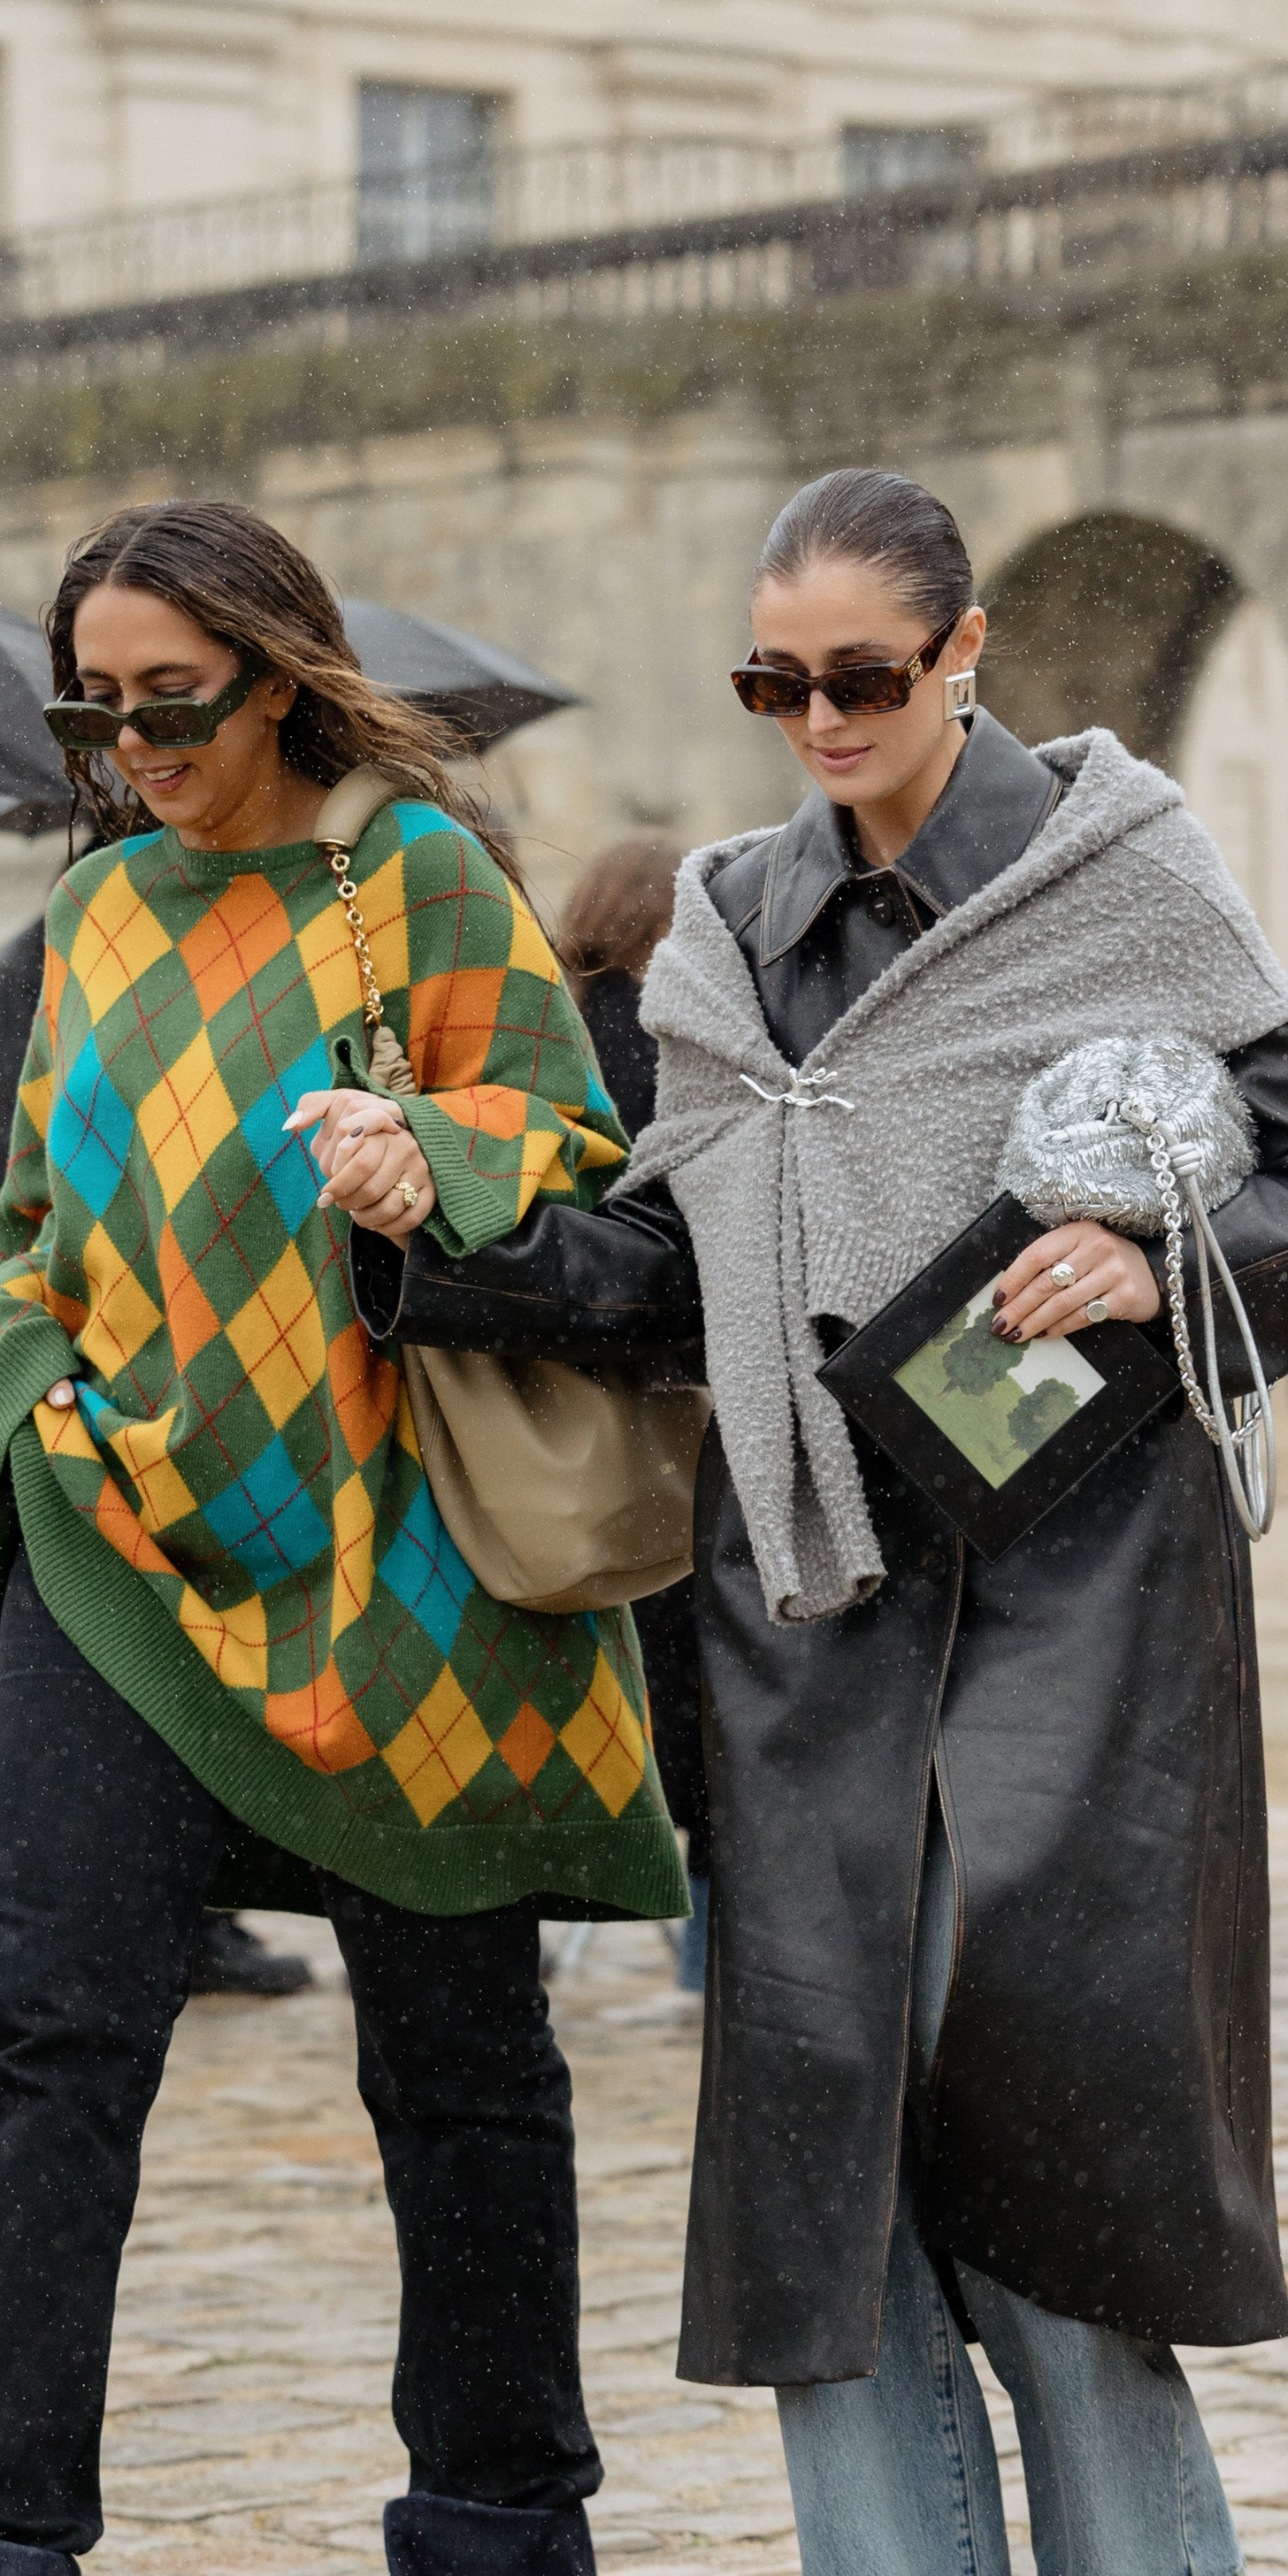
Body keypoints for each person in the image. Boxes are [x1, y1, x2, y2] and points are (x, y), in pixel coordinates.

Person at [307, 468, 1288, 2576]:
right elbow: (661, 1271)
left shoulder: (1124, 882)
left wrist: (1145, 1260)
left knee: (1006, 2067)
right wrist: (440, 1231)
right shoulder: (713, 934)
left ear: (967, 653)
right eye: (769, 679)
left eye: (861, 677)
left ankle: (1125, 2563)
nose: (815, 716)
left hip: (1074, 1570)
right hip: (796, 1592)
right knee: (820, 2123)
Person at [0, 500, 683, 2576]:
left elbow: (576, 1146)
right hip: (115, 1540)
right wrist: (18, 1421)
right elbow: (44, 1214)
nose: (127, 748)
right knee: (38, 2044)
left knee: (462, 2073)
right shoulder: (95, 908)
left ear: (278, 677)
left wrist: (432, 1158)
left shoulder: (412, 878)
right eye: (87, 710)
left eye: (167, 704)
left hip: (402, 1574)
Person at [0, 918, 312, 2004]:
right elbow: (32, 1196)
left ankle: (196, 1922)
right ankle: (195, 1922)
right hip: (148, 1394)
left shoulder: (19, 967)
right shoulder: (67, 956)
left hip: (121, 1387)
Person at [556, 836, 710, 1992]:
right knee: (709, 1699)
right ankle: (712, 1943)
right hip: (674, 1395)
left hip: (578, 1392)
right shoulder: (666, 1040)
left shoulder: (556, 1022)